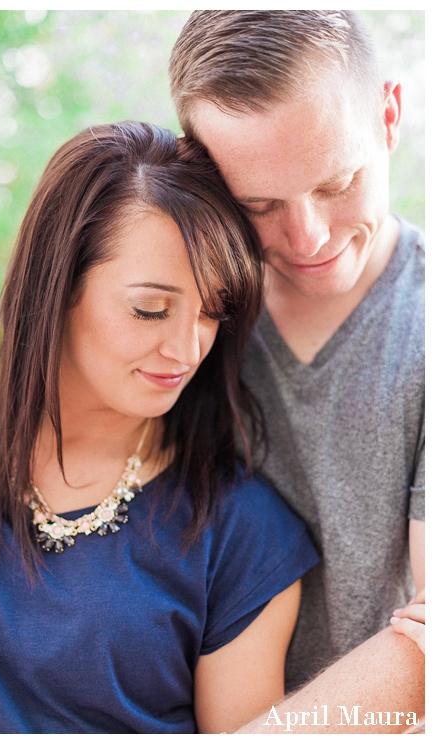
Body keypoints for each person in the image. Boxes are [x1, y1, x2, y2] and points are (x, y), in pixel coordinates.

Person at [0, 121, 319, 733]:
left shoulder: (243, 536)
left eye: (212, 312)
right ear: (58, 285)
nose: (187, 349)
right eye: (151, 309)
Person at [168, 10, 424, 732]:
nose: (307, 237)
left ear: (387, 113)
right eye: (258, 205)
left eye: (337, 182)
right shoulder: (183, 317)